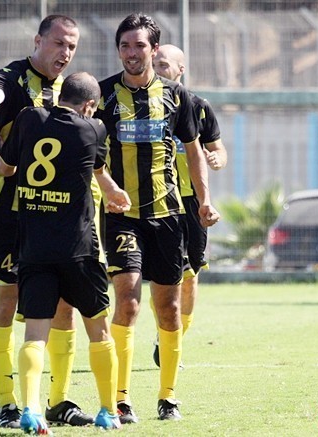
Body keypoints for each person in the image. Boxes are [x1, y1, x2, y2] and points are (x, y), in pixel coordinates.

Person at [0, 15, 93, 428]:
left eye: (71, 46)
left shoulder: (73, 90)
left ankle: (59, 400)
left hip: (52, 215)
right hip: (4, 212)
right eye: (59, 43)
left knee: (63, 307)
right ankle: (6, 402)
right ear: (38, 40)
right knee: (6, 300)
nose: (65, 52)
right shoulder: (14, 76)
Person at [0, 71, 131, 434]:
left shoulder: (28, 118)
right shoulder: (94, 129)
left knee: (35, 334)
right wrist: (113, 192)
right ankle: (108, 411)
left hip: (34, 249)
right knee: (99, 331)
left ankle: (30, 410)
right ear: (90, 105)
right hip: (79, 249)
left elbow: (8, 167)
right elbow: (96, 168)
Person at [95, 13, 221, 423]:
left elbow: (194, 150)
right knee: (128, 302)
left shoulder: (177, 96)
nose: (131, 53)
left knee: (168, 308)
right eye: (124, 46)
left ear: (153, 49)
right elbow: (88, 151)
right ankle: (120, 398)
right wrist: (104, 188)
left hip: (168, 215)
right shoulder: (103, 95)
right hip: (121, 216)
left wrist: (204, 200)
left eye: (139, 46)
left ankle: (168, 397)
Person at [151, 44, 228, 367]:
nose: (157, 69)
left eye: (163, 65)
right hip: (157, 199)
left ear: (180, 69)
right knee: (163, 275)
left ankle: (170, 340)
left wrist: (216, 159)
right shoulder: (143, 105)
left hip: (191, 202)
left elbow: (219, 150)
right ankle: (165, 336)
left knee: (190, 276)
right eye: (154, 64)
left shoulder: (198, 107)